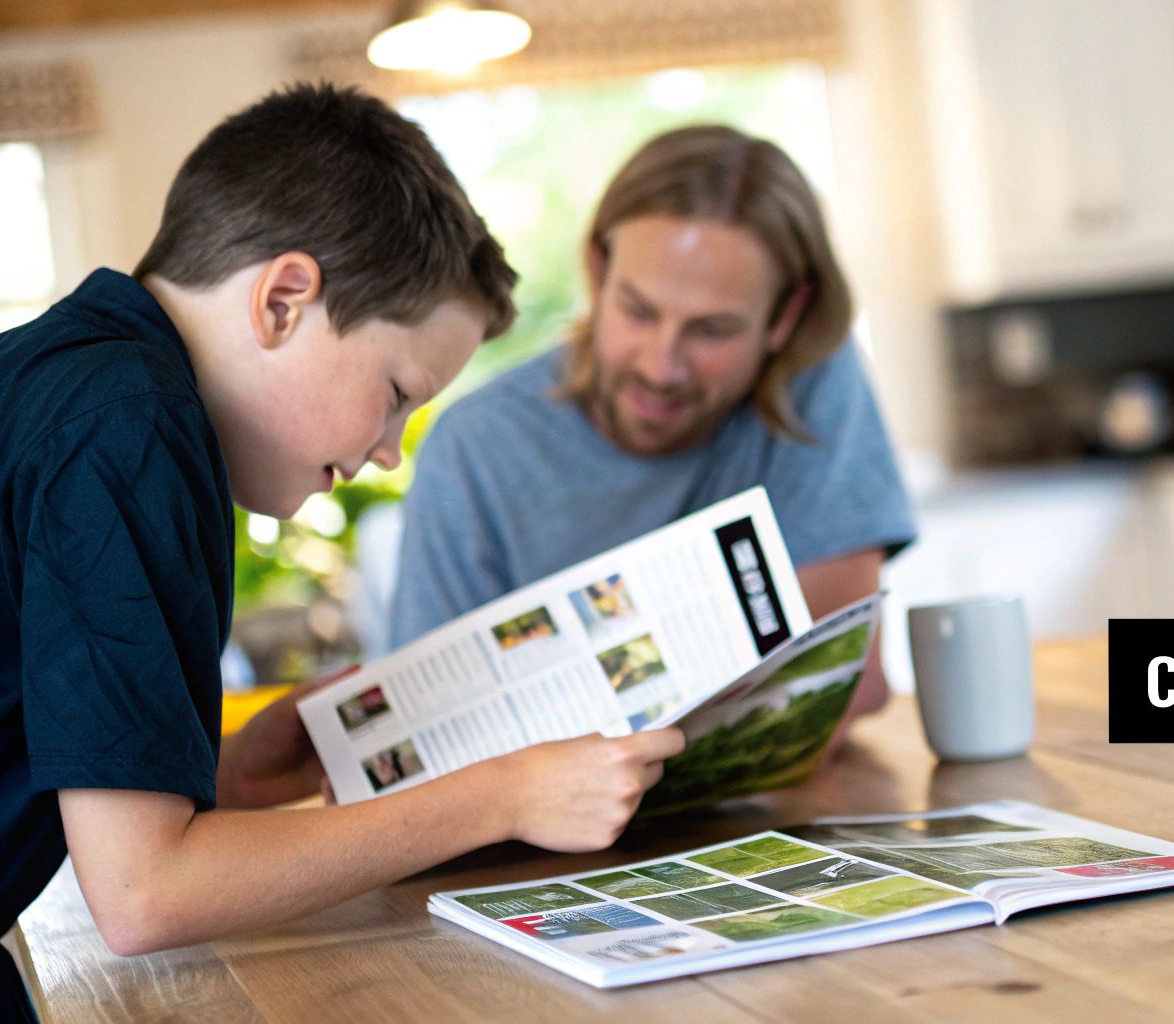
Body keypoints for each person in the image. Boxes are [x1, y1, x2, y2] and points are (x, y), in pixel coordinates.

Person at [0, 84, 683, 1013]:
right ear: (283, 301)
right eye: (398, 392)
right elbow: (145, 893)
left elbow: (83, 800)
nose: (388, 451)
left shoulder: (71, 381)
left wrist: (231, 770)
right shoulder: (129, 425)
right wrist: (502, 798)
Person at [389, 125, 915, 722]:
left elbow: (841, 683)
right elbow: (428, 730)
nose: (662, 368)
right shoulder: (475, 448)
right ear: (597, 272)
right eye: (638, 312)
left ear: (785, 316)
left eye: (711, 330)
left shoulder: (812, 381)